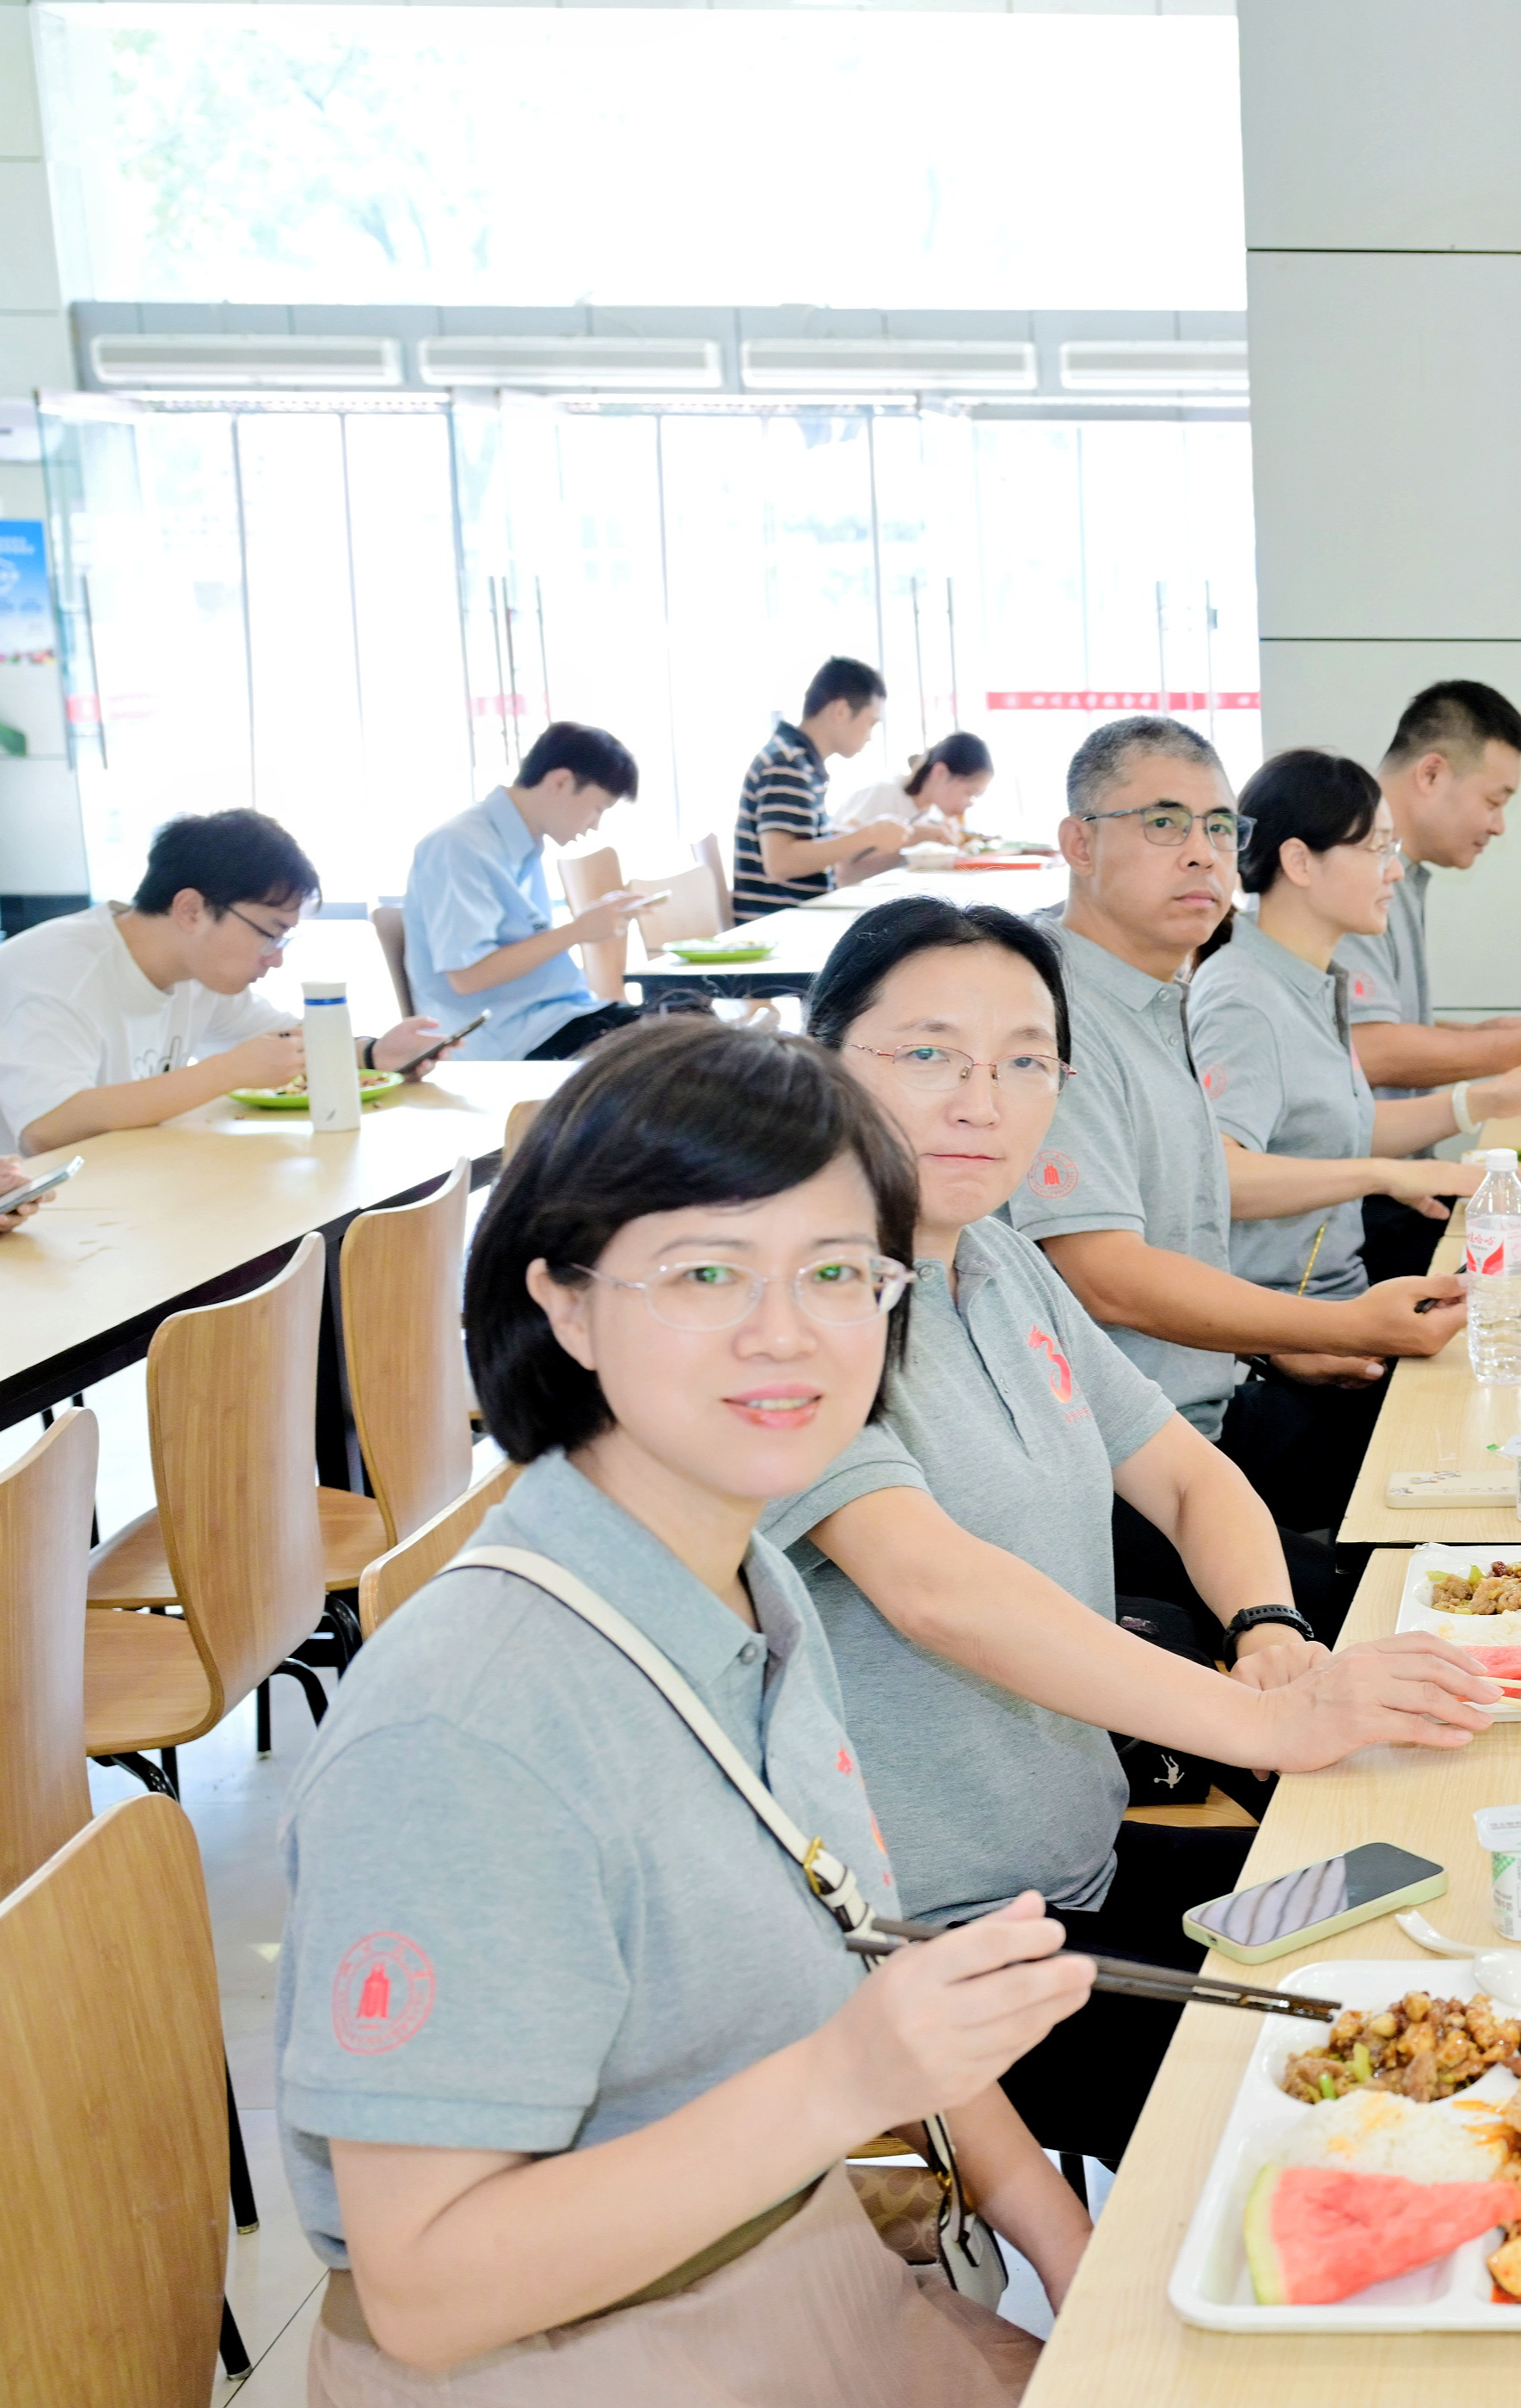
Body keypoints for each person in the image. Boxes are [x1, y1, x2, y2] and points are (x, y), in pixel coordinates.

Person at [275, 1016, 1089, 2402]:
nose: (785, 1332)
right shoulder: (469, 1730)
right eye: (707, 1272)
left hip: (816, 2275)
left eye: (837, 1272)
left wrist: (1074, 2253)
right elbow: (423, 2291)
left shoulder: (739, 1583)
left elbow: (873, 1980)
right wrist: (846, 2081)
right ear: (566, 1304)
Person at [781, 896, 1497, 2161]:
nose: (982, 1102)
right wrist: (1263, 1724)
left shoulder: (997, 1261)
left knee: (1440, 1922)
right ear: (820, 1059)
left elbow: (1184, 1478)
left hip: (1084, 1874)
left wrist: (1269, 1631)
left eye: (1025, 1062)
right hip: (937, 1956)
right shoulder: (794, 1315)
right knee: (1386, 2109)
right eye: (930, 1054)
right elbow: (937, 1591)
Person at [1006, 716, 1467, 1624]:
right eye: (1164, 823)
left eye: (1220, 828)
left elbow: (1177, 1224)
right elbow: (1104, 1276)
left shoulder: (1159, 992)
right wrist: (1333, 1323)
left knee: (1451, 1450)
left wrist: (1269, 1341)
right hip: (1114, 1462)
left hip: (1207, 1399)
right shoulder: (1046, 1009)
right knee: (1387, 1599)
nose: (1203, 853)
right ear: (1078, 843)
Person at [1188, 749, 1521, 1531]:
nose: (1394, 871)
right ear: (1299, 861)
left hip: (1343, 1307)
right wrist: (1380, 1174)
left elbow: (1334, 1128)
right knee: (1505, 1443)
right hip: (1290, 1347)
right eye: (1376, 848)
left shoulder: (1308, 979)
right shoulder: (1243, 998)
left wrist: (1482, 1100)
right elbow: (1221, 1176)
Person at [1339, 680, 1521, 1281]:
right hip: (1358, 1208)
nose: (1498, 826)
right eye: (1494, 801)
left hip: (1395, 1185)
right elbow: (1368, 1049)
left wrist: (1485, 1035)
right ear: (1431, 774)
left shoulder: (1399, 876)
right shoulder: (1347, 877)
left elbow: (1367, 1027)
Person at [0, 809, 447, 1155]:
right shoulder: (61, 971)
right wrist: (224, 1072)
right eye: (270, 933)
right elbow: (46, 1128)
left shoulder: (196, 971)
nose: (276, 958)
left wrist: (373, 1053)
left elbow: (283, 1043)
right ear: (191, 910)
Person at [402, 721, 665, 1063]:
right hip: (510, 1040)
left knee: (689, 1016)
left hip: (556, 1020)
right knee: (686, 1038)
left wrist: (584, 927)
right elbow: (467, 976)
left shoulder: (521, 844)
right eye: (598, 808)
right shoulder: (459, 845)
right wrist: (578, 930)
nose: (595, 825)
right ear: (560, 782)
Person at [733, 657, 906, 914]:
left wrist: (849, 835)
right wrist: (868, 836)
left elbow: (797, 844)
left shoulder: (797, 759)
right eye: (871, 722)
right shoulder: (787, 762)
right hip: (780, 919)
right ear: (840, 711)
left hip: (792, 914)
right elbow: (781, 863)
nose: (870, 736)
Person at [835, 731, 994, 855]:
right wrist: (912, 837)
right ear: (940, 773)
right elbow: (842, 866)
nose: (969, 804)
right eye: (969, 793)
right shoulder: (883, 793)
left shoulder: (934, 814)